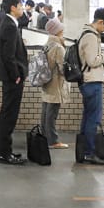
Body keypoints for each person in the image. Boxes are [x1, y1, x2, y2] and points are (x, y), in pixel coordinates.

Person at [76, 8, 104, 165]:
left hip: (87, 82)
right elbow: (93, 61)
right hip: (91, 82)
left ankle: (83, 151)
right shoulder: (91, 36)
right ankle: (89, 152)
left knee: (88, 117)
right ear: (100, 22)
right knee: (93, 119)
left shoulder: (86, 33)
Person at [0, 0, 28, 165]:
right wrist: (16, 75)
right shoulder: (9, 25)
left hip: (9, 77)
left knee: (6, 113)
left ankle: (1, 149)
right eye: (21, 6)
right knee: (9, 115)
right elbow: (9, 56)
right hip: (12, 78)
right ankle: (5, 153)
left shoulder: (8, 23)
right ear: (13, 7)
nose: (23, 9)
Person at [39, 18, 69, 148]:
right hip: (56, 84)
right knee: (52, 114)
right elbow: (63, 68)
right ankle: (53, 141)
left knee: (46, 112)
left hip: (46, 83)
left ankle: (44, 137)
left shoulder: (47, 45)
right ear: (58, 31)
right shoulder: (58, 47)